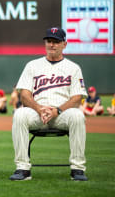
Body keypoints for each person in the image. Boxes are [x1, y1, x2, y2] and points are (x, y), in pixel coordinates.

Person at [10, 27, 88, 181]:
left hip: (62, 114)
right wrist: (39, 109)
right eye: (49, 41)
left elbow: (77, 97)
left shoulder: (73, 68)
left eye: (56, 42)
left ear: (64, 44)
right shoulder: (32, 65)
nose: (52, 45)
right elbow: (24, 95)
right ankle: (22, 168)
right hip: (37, 113)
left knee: (78, 115)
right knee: (19, 114)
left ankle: (77, 169)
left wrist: (57, 111)